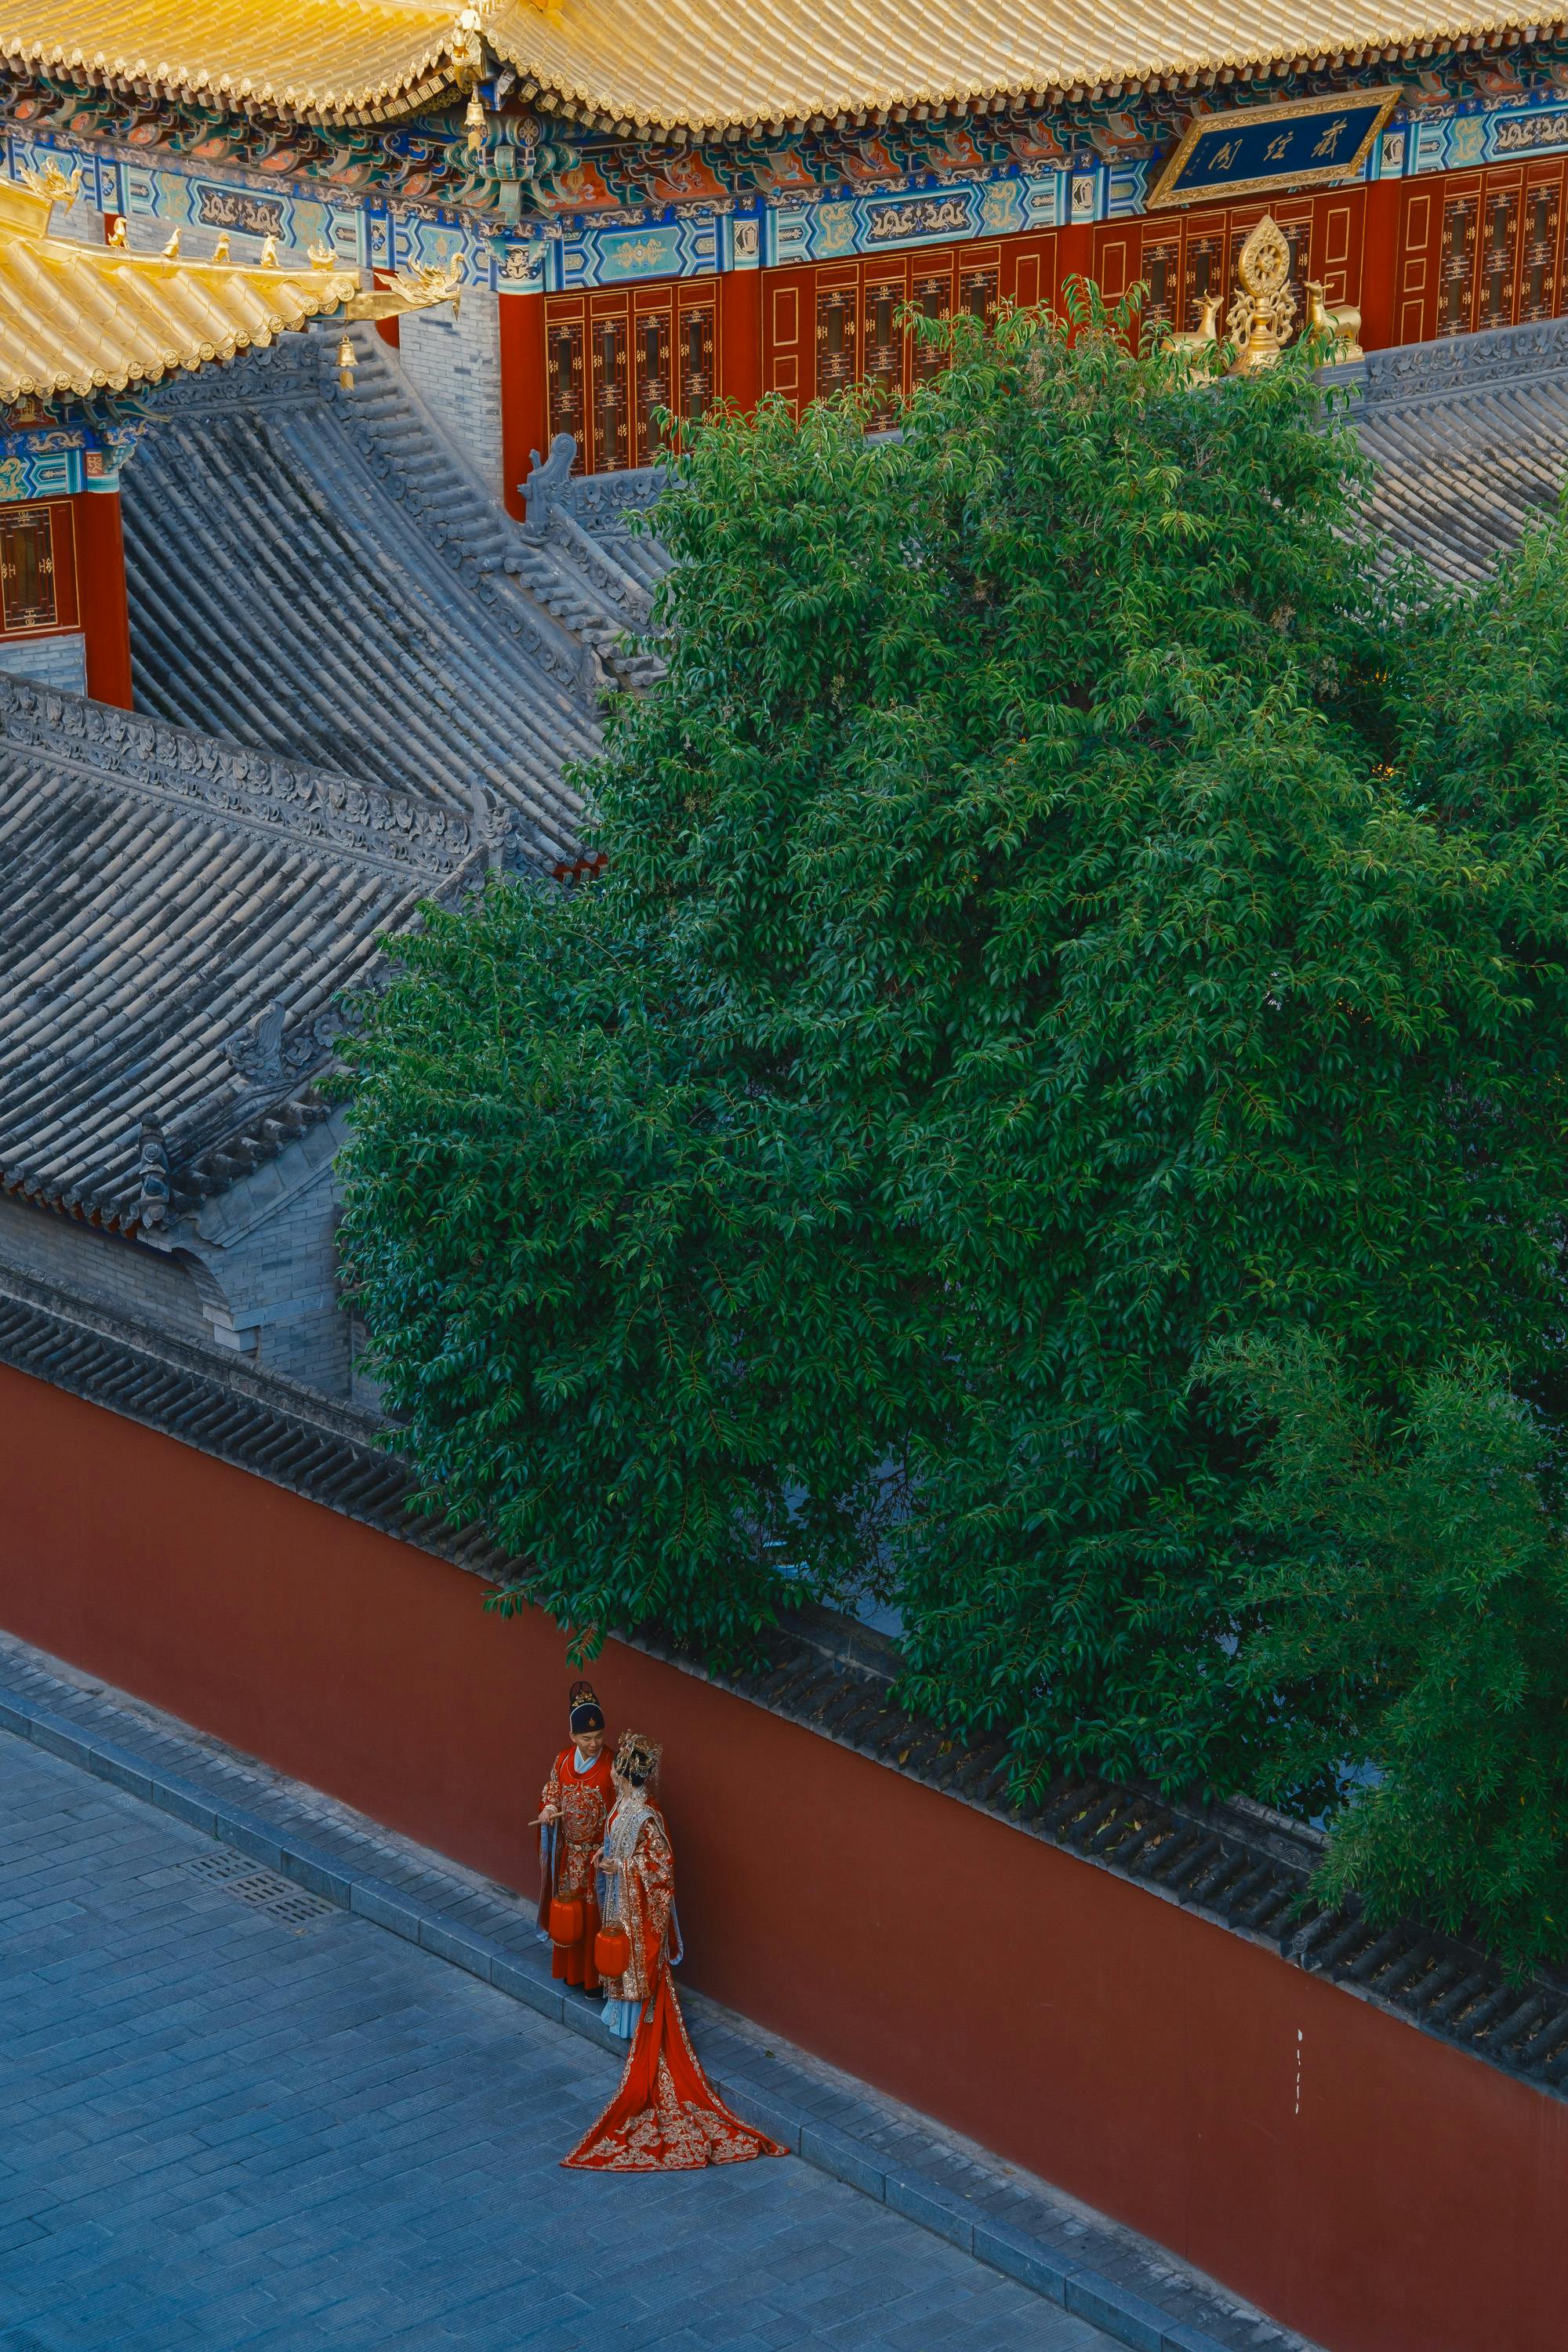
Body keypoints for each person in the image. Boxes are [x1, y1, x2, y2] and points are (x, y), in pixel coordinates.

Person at [562, 1730, 786, 2171]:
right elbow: (615, 1848)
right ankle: (619, 2014)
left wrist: (622, 1867)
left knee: (637, 1967)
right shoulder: (623, 1807)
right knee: (617, 1958)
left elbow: (662, 1870)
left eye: (619, 1770)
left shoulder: (648, 1816)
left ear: (627, 1775)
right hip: (620, 1901)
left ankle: (633, 2024)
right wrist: (605, 1863)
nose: (614, 1774)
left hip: (640, 1908)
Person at [537, 1679, 615, 1994]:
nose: (594, 1744)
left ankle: (594, 1979)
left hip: (598, 1856)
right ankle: (571, 1973)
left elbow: (620, 1809)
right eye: (586, 1738)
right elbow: (551, 1792)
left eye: (598, 1736)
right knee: (570, 1914)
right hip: (571, 1854)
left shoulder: (612, 1765)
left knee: (595, 1916)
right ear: (573, 1736)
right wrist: (548, 1809)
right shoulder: (563, 1761)